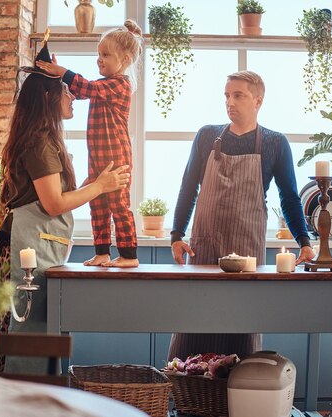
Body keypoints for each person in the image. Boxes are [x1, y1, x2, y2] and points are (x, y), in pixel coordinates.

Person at [0, 40, 130, 373]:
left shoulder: (47, 138)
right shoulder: (39, 141)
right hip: (18, 254)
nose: (72, 97)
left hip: (32, 248)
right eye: (65, 92)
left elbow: (55, 196)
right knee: (18, 349)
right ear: (48, 98)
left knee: (30, 346)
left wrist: (96, 185)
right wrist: (99, 187)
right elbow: (53, 204)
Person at [168, 70, 315, 361]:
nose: (230, 102)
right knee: (197, 323)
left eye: (238, 95)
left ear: (258, 100)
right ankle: (190, 400)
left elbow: (289, 198)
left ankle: (237, 401)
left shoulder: (275, 143)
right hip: (205, 249)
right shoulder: (207, 136)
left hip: (247, 252)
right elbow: (188, 187)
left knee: (241, 327)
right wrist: (176, 235)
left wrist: (304, 242)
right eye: (226, 95)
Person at [36, 19, 144, 268]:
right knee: (98, 206)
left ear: (125, 59)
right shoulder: (103, 85)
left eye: (106, 54)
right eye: (98, 54)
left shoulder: (120, 84)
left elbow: (87, 87)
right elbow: (81, 90)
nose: (99, 59)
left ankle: (129, 255)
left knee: (119, 205)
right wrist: (57, 75)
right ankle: (102, 252)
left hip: (116, 157)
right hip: (98, 157)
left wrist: (64, 72)